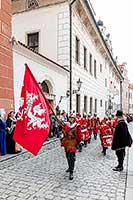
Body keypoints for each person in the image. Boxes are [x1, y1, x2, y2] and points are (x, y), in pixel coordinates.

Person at [60, 114, 79, 180]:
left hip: (73, 142)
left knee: (72, 157)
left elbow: (79, 134)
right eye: (70, 118)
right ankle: (69, 167)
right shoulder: (66, 125)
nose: (71, 119)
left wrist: (81, 142)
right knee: (67, 156)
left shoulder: (77, 125)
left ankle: (71, 172)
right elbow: (63, 132)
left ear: (74, 119)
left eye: (72, 118)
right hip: (67, 142)